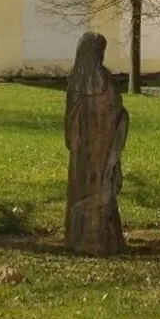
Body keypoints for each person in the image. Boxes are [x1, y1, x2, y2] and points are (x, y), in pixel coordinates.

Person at [64, 32, 128, 254]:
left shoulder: (77, 81)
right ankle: (99, 236)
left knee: (94, 187)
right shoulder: (104, 81)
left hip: (89, 148)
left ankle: (89, 236)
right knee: (99, 187)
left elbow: (70, 119)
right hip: (97, 147)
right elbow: (118, 112)